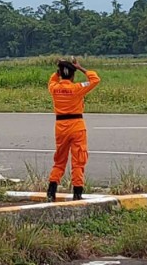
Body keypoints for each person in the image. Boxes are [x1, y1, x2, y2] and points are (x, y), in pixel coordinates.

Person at [46, 57, 100, 202]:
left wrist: (58, 70)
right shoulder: (77, 88)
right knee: (78, 160)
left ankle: (52, 189)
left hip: (60, 127)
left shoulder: (55, 89)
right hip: (76, 125)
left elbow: (51, 81)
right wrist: (81, 67)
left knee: (60, 160)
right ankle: (77, 192)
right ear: (72, 75)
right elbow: (95, 79)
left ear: (61, 74)